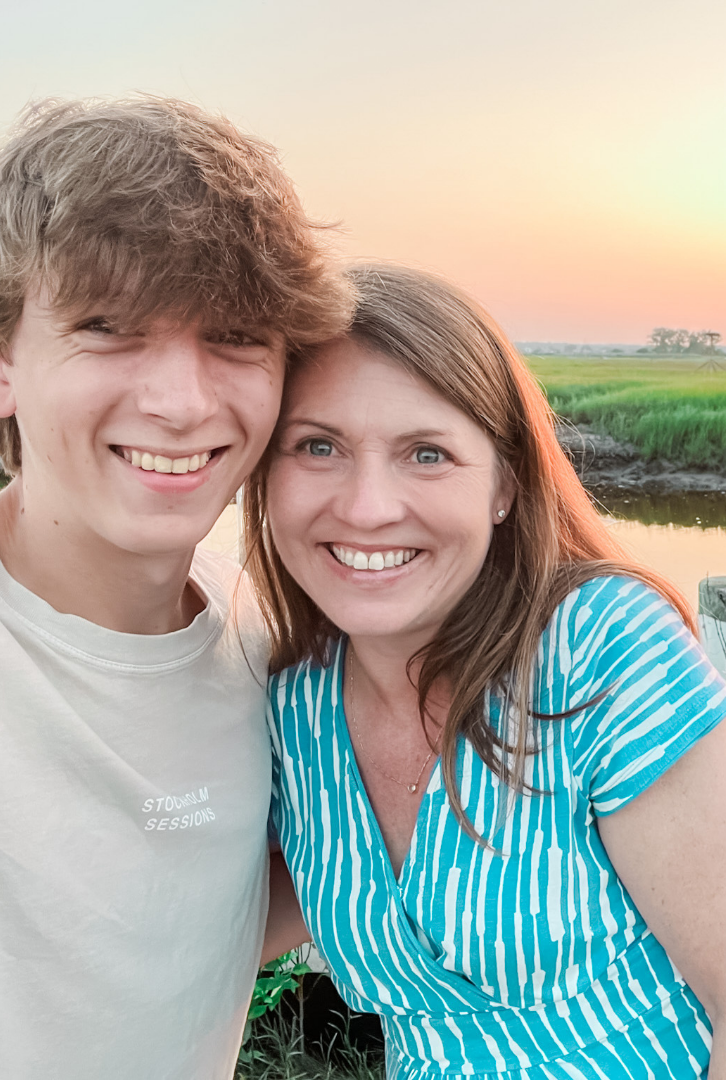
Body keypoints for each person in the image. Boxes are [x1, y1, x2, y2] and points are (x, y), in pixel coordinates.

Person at [247, 263, 726, 1079]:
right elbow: (204, 927)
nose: (368, 506)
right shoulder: (294, 705)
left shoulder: (598, 646)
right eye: (318, 446)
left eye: (426, 453)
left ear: (504, 485)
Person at [0, 97, 352, 1078]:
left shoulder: (260, 634)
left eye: (235, 335)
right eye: (108, 326)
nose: (182, 402)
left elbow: (185, 923)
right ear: (6, 362)